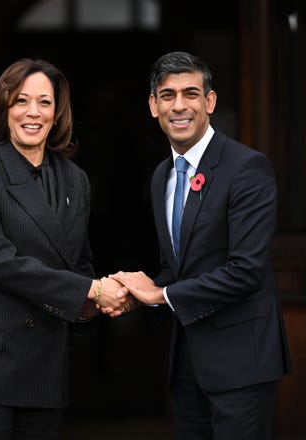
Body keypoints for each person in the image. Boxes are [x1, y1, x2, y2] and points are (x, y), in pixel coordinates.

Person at [0, 58, 129, 440]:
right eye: (21, 101)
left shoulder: (75, 180)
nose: (33, 113)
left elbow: (79, 263)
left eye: (44, 102)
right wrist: (93, 290)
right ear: (5, 109)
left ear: (57, 112)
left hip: (42, 366)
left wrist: (91, 306)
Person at [111, 51, 292, 439]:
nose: (179, 106)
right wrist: (134, 292)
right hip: (188, 366)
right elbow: (176, 268)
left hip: (242, 364)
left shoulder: (247, 168)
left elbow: (246, 271)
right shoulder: (161, 176)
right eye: (167, 94)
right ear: (153, 105)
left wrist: (160, 295)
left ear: (209, 101)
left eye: (190, 94)